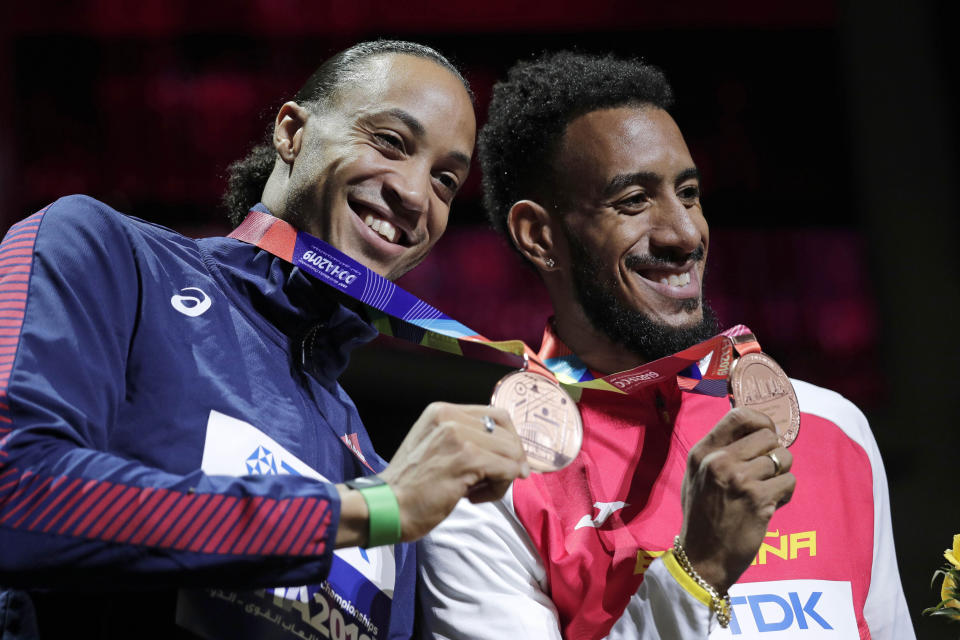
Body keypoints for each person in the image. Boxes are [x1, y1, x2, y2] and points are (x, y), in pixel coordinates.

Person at [0, 40, 529, 640]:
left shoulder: (381, 472)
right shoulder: (107, 253)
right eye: (389, 141)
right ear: (291, 132)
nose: (414, 194)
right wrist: (365, 512)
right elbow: (16, 493)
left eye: (445, 181)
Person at [418, 51, 914, 639]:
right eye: (633, 201)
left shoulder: (833, 429)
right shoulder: (488, 483)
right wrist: (694, 571)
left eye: (689, 193)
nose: (683, 234)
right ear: (540, 236)